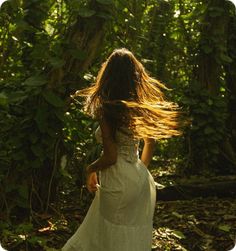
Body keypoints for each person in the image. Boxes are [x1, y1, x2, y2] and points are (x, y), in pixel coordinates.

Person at [62, 48, 182, 251]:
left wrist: (90, 169)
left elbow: (110, 156)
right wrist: (137, 171)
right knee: (127, 237)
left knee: (107, 237)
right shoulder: (139, 107)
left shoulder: (106, 108)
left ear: (107, 75)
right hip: (139, 178)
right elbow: (150, 143)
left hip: (117, 178)